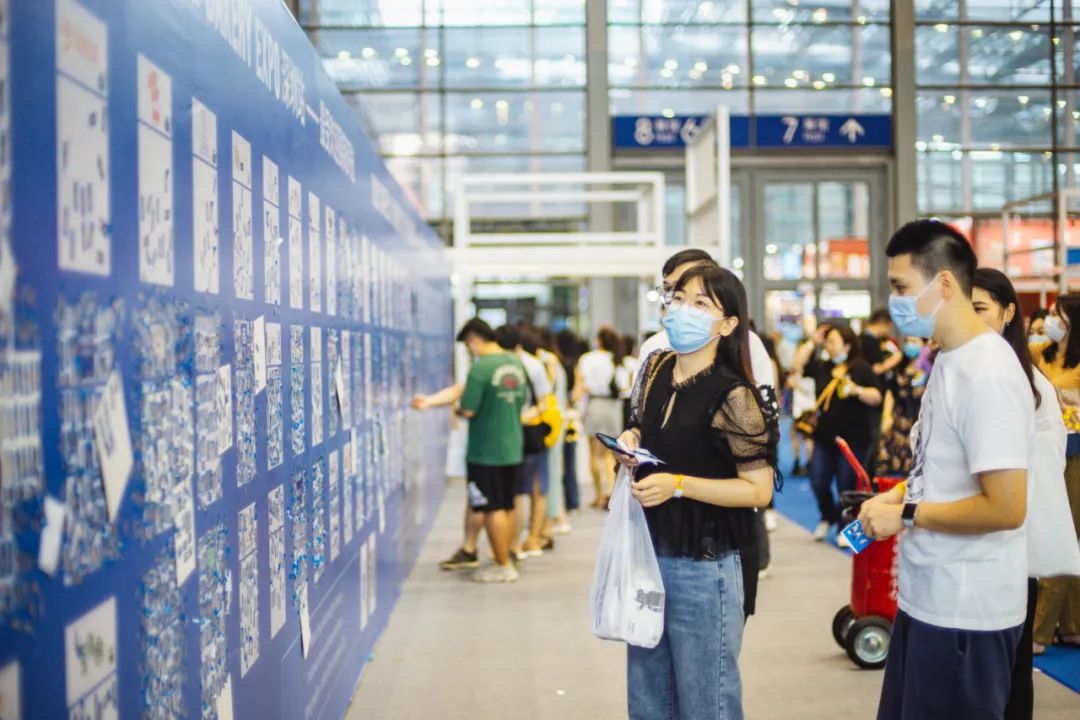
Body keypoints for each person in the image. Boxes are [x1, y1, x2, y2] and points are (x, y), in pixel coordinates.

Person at [859, 220, 1033, 720]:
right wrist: (898, 497)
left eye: (901, 287)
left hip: (966, 612)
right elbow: (942, 469)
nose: (894, 302)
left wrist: (907, 514)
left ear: (945, 284)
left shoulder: (987, 374)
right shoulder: (949, 360)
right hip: (929, 597)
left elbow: (1006, 507)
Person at [616, 264, 779, 720]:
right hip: (648, 554)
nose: (683, 309)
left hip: (704, 565)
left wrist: (678, 485)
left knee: (707, 702)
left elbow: (758, 490)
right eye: (679, 298)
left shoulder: (735, 396)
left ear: (727, 325)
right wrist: (631, 438)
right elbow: (644, 426)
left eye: (701, 303)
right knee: (648, 699)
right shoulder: (655, 369)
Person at [971, 268, 1066, 720]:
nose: (969, 320)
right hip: (966, 543)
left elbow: (1041, 473)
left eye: (980, 309)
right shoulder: (963, 373)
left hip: (1009, 541)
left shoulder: (1030, 386)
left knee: (1009, 666)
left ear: (1009, 312)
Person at [414, 319, 528, 582]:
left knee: (491, 508)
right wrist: (431, 401)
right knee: (506, 506)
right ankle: (507, 557)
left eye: (468, 346)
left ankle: (502, 565)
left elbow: (467, 408)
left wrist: (455, 409)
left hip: (486, 451)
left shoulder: (481, 368)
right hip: (511, 447)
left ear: (475, 339)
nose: (469, 351)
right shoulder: (514, 363)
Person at [800, 324, 883, 545]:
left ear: (847, 345)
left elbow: (877, 396)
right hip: (825, 436)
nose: (829, 345)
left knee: (847, 484)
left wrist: (857, 390)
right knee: (818, 480)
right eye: (827, 341)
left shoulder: (861, 367)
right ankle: (828, 516)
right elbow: (797, 367)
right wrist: (812, 341)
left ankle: (843, 525)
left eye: (833, 341)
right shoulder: (824, 367)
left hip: (854, 438)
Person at [1031, 295, 1080, 653]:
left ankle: (1041, 631)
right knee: (1053, 531)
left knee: (1066, 535)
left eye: (1057, 315)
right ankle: (1068, 626)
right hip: (1044, 452)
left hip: (1075, 455)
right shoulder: (1040, 353)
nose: (1051, 320)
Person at [496, 324, 554, 559]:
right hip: (529, 432)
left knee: (517, 492)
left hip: (513, 433)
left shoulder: (500, 365)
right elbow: (545, 400)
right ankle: (527, 541)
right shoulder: (533, 364)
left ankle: (514, 545)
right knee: (534, 490)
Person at [574, 325, 629, 509]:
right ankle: (611, 493)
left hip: (595, 404)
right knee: (610, 454)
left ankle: (599, 495)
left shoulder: (588, 359)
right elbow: (624, 387)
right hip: (613, 407)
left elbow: (581, 386)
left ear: (598, 340)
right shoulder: (619, 360)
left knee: (595, 454)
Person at [874, 335, 928, 478]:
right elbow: (890, 394)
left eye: (914, 341)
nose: (910, 345)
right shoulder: (899, 369)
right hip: (898, 426)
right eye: (908, 341)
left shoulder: (930, 372)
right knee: (890, 469)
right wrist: (886, 418)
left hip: (921, 425)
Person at [555, 328, 584, 520]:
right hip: (571, 418)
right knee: (570, 460)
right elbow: (578, 393)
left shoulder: (555, 364)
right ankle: (572, 501)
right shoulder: (575, 365)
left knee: (558, 462)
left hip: (557, 417)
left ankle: (560, 503)